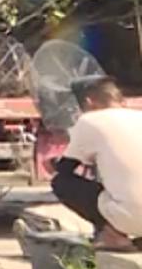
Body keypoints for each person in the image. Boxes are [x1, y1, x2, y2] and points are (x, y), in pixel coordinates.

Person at [51, 76, 142, 251]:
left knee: (61, 183)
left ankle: (113, 235)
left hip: (133, 217)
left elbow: (65, 168)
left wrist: (53, 164)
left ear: (89, 101)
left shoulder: (90, 120)